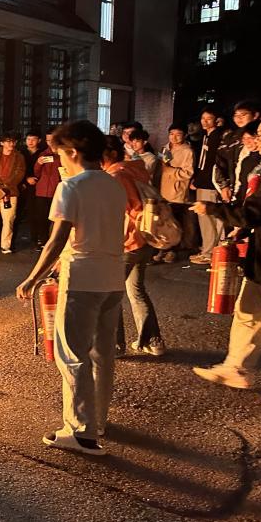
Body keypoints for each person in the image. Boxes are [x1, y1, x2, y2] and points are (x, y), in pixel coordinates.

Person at [16, 120, 127, 456]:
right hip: (113, 278)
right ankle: (98, 420)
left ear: (74, 152)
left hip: (82, 279)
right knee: (102, 355)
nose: (60, 160)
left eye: (61, 153)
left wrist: (32, 277)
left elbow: (56, 240)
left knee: (73, 356)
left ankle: (81, 432)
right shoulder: (114, 185)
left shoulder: (71, 187)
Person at [191, 116, 261, 401]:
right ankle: (236, 367)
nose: (257, 139)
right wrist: (241, 229)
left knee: (251, 312)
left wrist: (214, 210)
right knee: (248, 313)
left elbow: (256, 210)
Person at [102, 136, 165, 356]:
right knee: (136, 290)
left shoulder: (116, 175)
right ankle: (152, 341)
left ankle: (115, 345)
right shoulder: (135, 168)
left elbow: (132, 208)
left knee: (110, 294)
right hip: (145, 239)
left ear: (111, 154)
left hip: (127, 242)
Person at [157, 124, 196, 263]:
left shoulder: (187, 151)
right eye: (171, 134)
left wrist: (170, 171)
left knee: (176, 222)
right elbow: (159, 166)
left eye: (178, 134)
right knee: (164, 221)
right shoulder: (164, 148)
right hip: (162, 190)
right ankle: (163, 248)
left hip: (177, 191)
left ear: (185, 135)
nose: (174, 137)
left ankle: (174, 251)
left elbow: (188, 173)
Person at [191, 108, 225, 265]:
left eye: (209, 118)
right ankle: (209, 251)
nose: (204, 121)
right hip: (205, 183)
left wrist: (198, 181)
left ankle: (210, 253)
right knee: (208, 220)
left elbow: (211, 163)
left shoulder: (216, 137)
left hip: (209, 184)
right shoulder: (208, 136)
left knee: (209, 219)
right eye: (203, 118)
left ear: (216, 120)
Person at [214, 100, 260, 204]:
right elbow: (219, 162)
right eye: (236, 115)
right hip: (232, 192)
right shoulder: (230, 138)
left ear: (255, 115)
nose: (239, 118)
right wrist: (224, 186)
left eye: (243, 115)